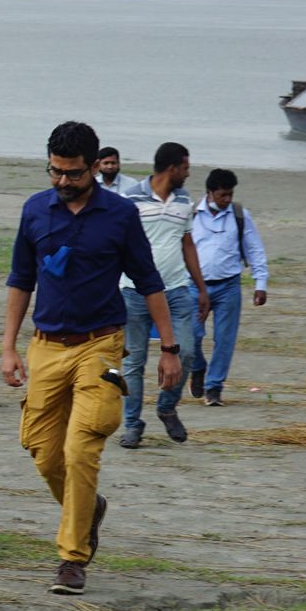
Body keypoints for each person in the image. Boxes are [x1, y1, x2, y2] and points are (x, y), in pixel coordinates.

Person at [1, 120, 180, 596]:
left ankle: (72, 557)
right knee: (42, 450)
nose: (62, 182)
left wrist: (169, 349)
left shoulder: (120, 215)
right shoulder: (35, 211)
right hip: (45, 347)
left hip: (101, 347)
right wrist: (7, 347)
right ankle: (88, 508)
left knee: (82, 448)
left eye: (72, 174)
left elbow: (150, 283)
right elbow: (21, 280)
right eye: (54, 172)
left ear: (95, 167)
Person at [117, 142, 209, 449]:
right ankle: (132, 424)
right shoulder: (130, 199)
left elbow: (188, 245)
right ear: (172, 168)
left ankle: (167, 406)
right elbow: (117, 246)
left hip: (176, 290)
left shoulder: (185, 200)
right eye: (185, 167)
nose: (188, 173)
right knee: (134, 361)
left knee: (185, 352)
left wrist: (202, 287)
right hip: (133, 291)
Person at [189, 169, 269, 407]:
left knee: (225, 340)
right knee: (190, 336)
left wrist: (260, 283)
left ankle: (214, 388)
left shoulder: (239, 215)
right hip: (194, 286)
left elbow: (254, 249)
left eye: (230, 194)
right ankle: (197, 366)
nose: (227, 199)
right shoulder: (191, 215)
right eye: (223, 195)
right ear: (210, 193)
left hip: (228, 287)